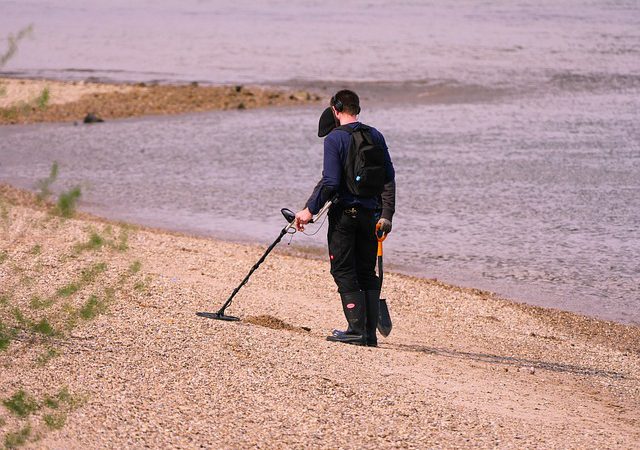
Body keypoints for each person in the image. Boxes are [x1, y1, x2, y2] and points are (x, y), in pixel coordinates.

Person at [295, 89, 395, 347]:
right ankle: (368, 334)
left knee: (342, 269)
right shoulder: (375, 135)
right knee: (366, 271)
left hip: (345, 216)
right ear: (357, 109)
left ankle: (355, 330)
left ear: (335, 110)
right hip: (371, 217)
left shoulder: (334, 139)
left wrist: (309, 211)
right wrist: (386, 215)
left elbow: (330, 182)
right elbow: (388, 178)